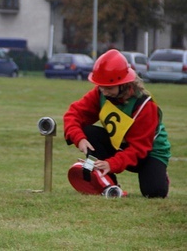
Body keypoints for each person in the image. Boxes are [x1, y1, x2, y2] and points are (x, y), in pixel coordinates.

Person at [63, 49, 171, 198]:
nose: (104, 92)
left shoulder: (145, 105)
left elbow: (139, 149)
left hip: (149, 152)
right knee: (89, 133)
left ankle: (160, 174)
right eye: (101, 86)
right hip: (122, 145)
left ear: (125, 84)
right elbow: (74, 114)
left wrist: (112, 164)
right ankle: (108, 184)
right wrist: (79, 138)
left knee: (154, 193)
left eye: (109, 87)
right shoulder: (100, 92)